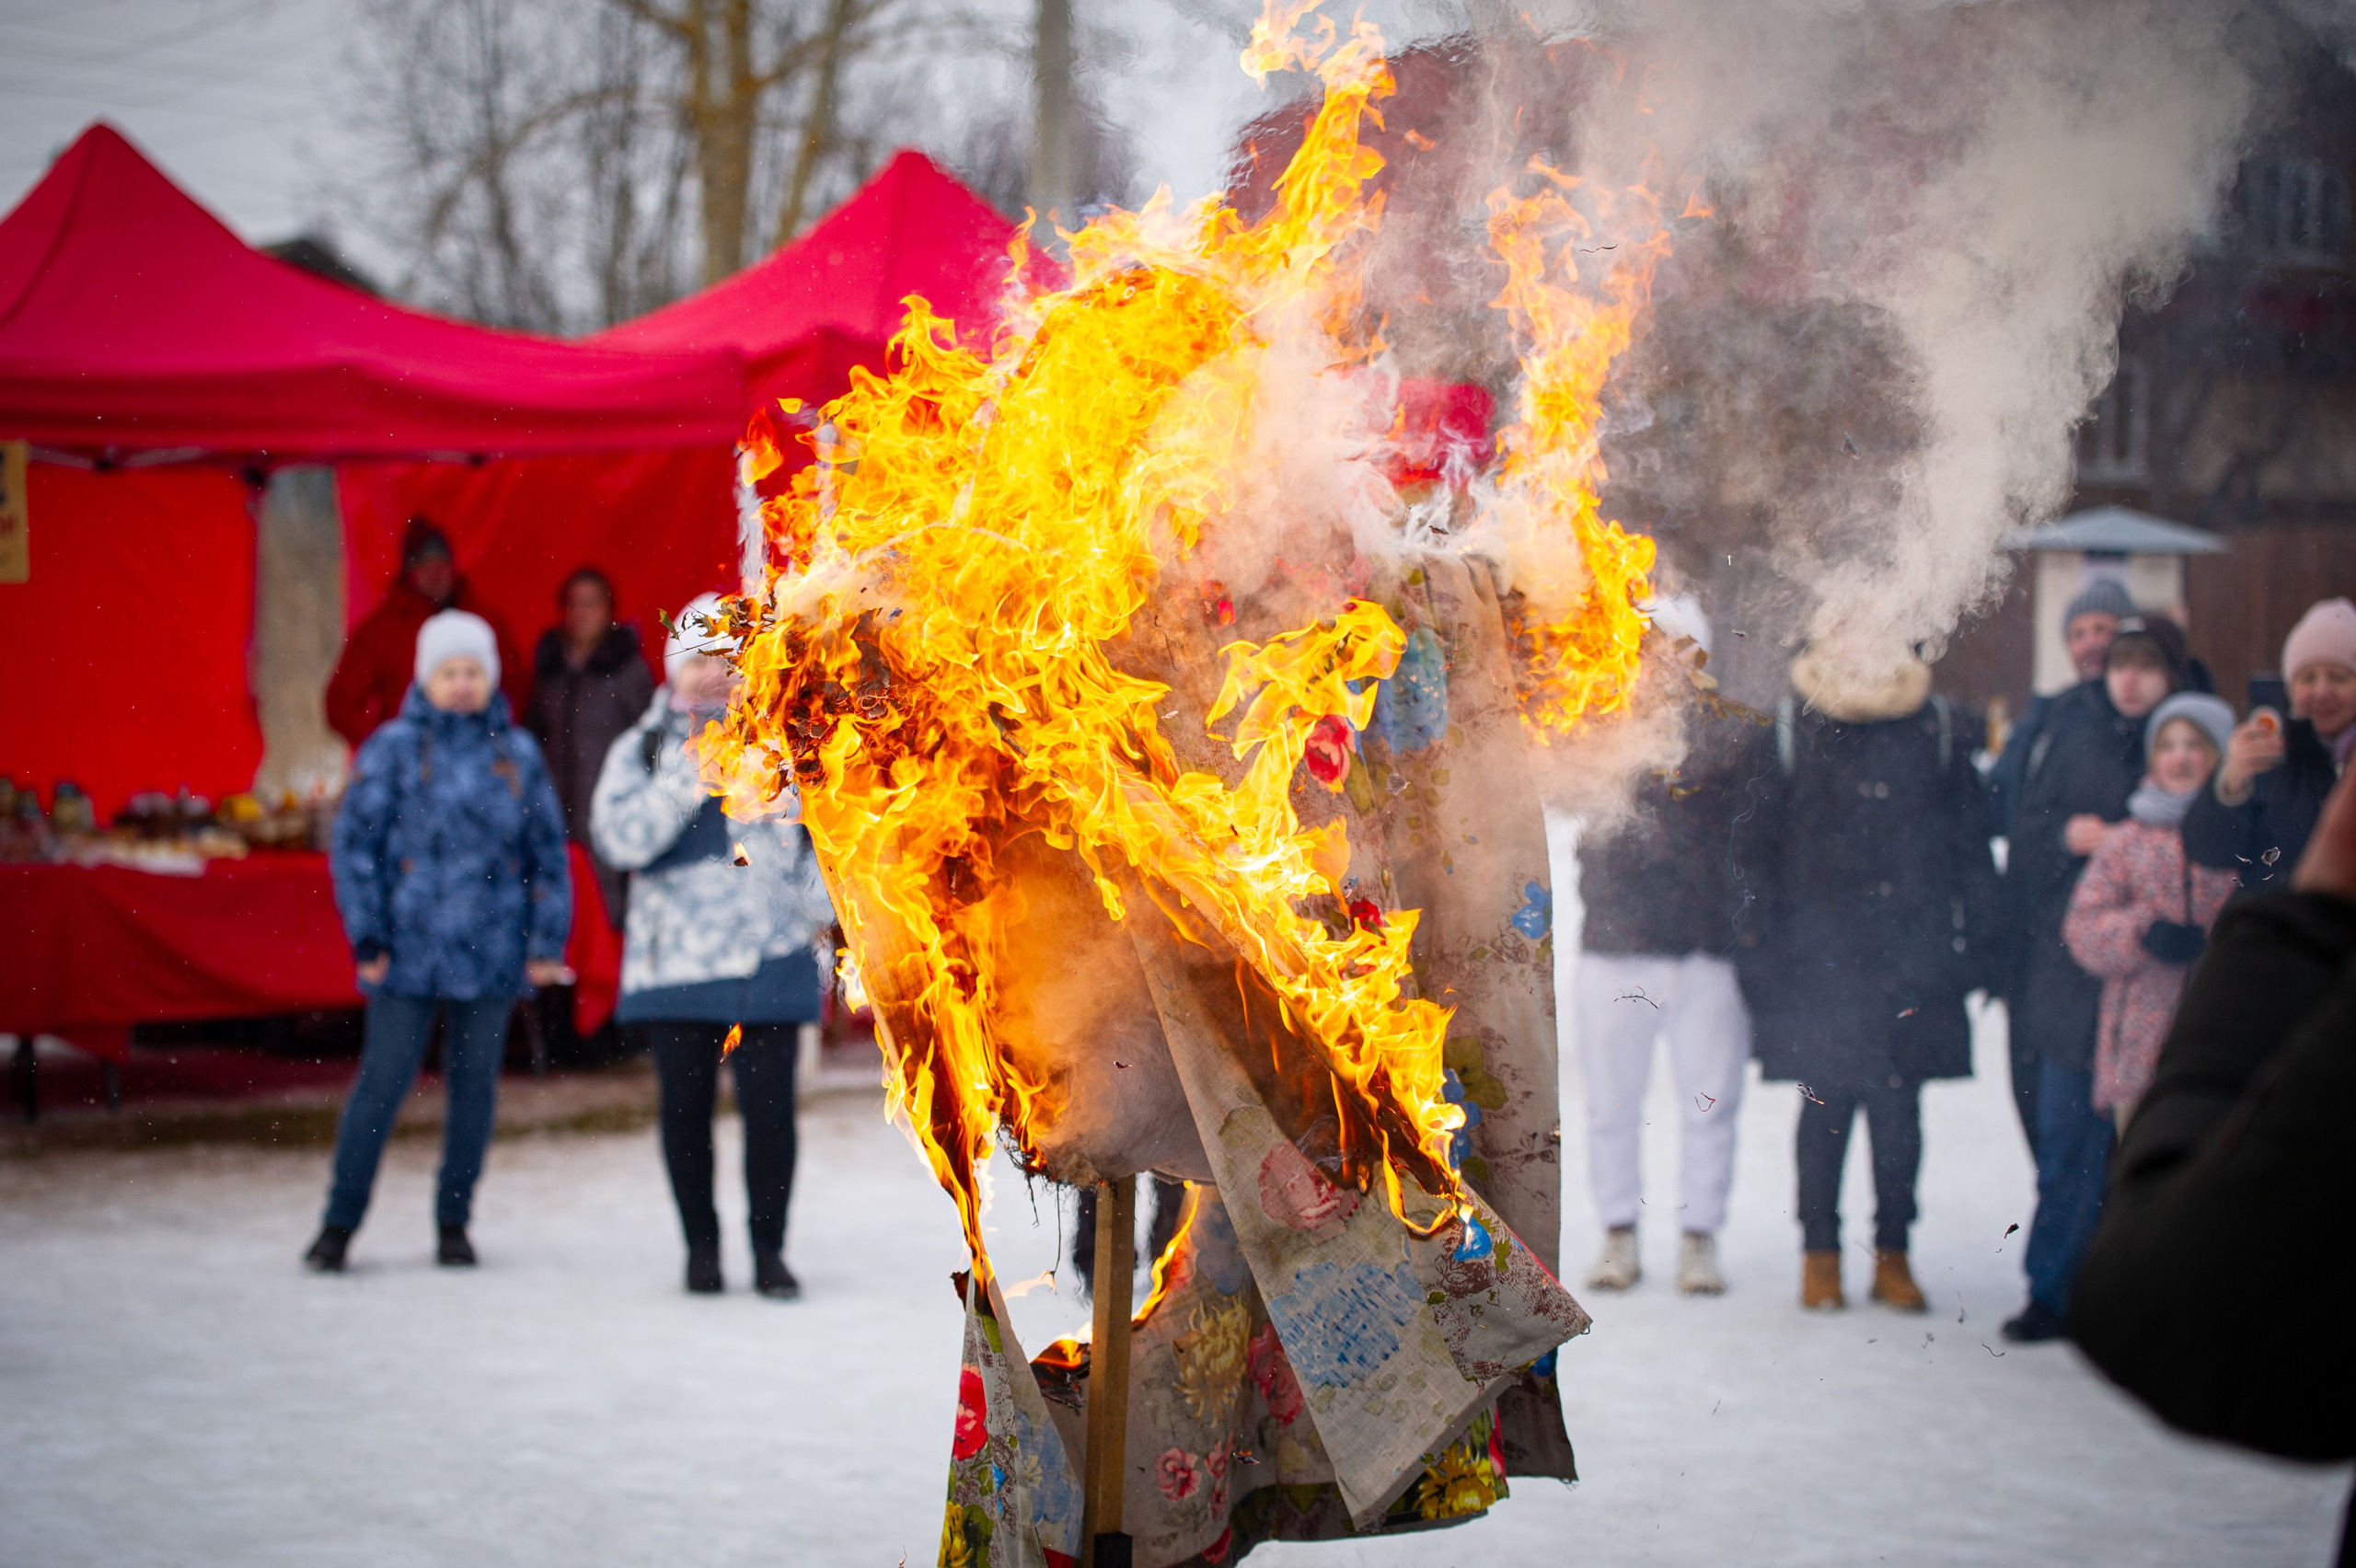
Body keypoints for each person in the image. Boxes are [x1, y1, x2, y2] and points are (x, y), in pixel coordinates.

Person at [2072, 767, 2356, 1564]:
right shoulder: (2133, 842)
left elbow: (2185, 1308)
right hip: (2142, 1045)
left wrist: (2299, 925)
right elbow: (2084, 922)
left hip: (2203, 1062)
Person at [1734, 640, 2000, 1312]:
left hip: (1914, 957)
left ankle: (1894, 1255)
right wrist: (1758, 953)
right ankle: (1819, 1255)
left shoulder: (1934, 728)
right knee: (1823, 1109)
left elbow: (1971, 844)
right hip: (1817, 962)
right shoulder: (1791, 730)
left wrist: (1978, 942)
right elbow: (1755, 855)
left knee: (1898, 1109)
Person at [306, 610, 572, 1273]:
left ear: (490, 680)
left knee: (475, 1087)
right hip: (407, 950)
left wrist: (543, 942)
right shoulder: (391, 750)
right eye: (449, 672)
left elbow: (548, 854)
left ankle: (455, 1220)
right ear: (426, 680)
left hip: (490, 949)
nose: (461, 684)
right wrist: (367, 933)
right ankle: (339, 1224)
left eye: (472, 672)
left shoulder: (517, 755)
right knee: (382, 1083)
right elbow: (354, 848)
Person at [591, 595, 836, 1298]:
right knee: (685, 1114)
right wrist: (689, 776)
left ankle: (769, 1251)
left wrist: (818, 911)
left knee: (771, 1118)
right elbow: (620, 840)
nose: (713, 676)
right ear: (673, 670)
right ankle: (701, 1249)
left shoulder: (786, 742)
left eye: (728, 662)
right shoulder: (643, 748)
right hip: (679, 964)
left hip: (772, 958)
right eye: (698, 660)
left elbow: (821, 848)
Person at [2001, 619, 2188, 1342]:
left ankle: (2138, 1292)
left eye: (2147, 665)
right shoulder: (2072, 735)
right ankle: (2053, 1290)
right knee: (2065, 1142)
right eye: (2121, 664)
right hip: (2069, 975)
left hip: (2161, 984)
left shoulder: (2189, 742)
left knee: (2148, 1148)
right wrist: (2062, 840)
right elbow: (2025, 837)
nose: (2130, 678)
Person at [1573, 605, 1756, 1297]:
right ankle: (1618, 1232)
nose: (1668, 662)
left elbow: (1752, 845)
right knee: (1612, 1104)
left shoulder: (1731, 736)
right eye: (1656, 648)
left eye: (1683, 650)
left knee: (1710, 1103)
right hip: (1618, 946)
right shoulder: (1598, 724)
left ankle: (1699, 1237)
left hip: (1705, 952)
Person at [2059, 692, 2239, 1134]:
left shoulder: (2242, 837)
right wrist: (2142, 932)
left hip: (2220, 1046)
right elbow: (2082, 926)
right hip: (2138, 1053)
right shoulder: (2127, 839)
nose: (2180, 757)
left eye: (2195, 745)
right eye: (2167, 745)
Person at [2184, 596, 2356, 891]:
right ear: (2289, 688)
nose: (2322, 690)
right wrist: (2231, 782)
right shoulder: (2270, 755)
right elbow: (2209, 852)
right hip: (2281, 927)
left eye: (2339, 677)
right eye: (2308, 677)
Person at [527, 567, 654, 922]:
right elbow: (532, 739)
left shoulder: (628, 670)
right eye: (574, 605)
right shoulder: (549, 670)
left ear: (608, 611)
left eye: (591, 604)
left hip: (608, 812)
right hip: (554, 814)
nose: (581, 613)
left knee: (609, 912)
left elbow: (649, 743)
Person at [328, 518, 522, 750]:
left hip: (476, 755)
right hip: (411, 762)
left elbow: (516, 687)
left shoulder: (483, 622)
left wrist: (495, 735)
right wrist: (385, 744)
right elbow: (341, 702)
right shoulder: (382, 630)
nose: (436, 574)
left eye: (441, 565)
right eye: (425, 566)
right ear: (410, 573)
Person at [1987, 578, 2135, 835]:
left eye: (2102, 629)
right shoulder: (2048, 713)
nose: (2091, 643)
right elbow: (2004, 794)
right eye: (2078, 634)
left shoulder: (2143, 712)